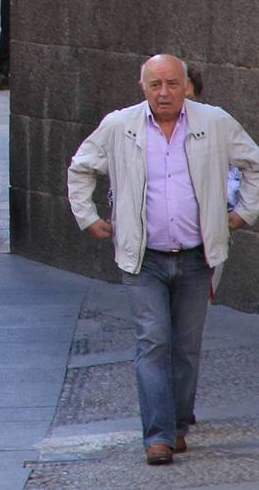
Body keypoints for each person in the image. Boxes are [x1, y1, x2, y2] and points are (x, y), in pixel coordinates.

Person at [67, 54, 259, 465]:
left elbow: (254, 163)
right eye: (155, 85)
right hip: (143, 258)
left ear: (186, 84)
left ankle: (177, 421)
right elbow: (81, 168)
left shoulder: (214, 122)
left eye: (172, 83)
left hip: (196, 256)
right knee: (153, 343)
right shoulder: (121, 126)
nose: (164, 92)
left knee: (186, 348)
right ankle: (158, 435)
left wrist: (244, 211)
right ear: (142, 87)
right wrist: (87, 217)